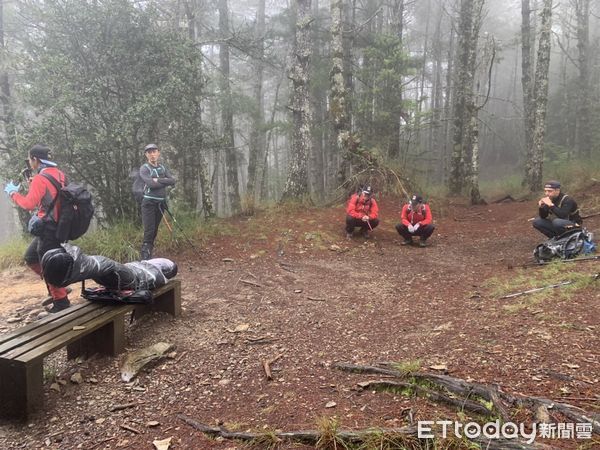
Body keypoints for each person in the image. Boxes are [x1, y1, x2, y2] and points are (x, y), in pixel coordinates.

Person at [3, 144, 71, 313]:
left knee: (48, 263)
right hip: (60, 226)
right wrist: (32, 183)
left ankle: (61, 301)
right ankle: (56, 285)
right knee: (31, 256)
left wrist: (13, 193)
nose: (30, 163)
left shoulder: (41, 178)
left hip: (48, 228)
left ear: (36, 160)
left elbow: (28, 204)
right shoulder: (60, 175)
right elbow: (53, 195)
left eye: (30, 159)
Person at [41, 243, 177, 291]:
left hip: (134, 277)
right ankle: (74, 267)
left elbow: (169, 269)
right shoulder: (162, 265)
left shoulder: (165, 267)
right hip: (129, 273)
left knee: (101, 264)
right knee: (100, 264)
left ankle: (74, 268)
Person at [139, 143, 176, 260]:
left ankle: (149, 255)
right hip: (149, 203)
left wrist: (157, 180)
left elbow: (172, 181)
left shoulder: (163, 168)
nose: (152, 154)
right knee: (149, 230)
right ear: (146, 155)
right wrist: (164, 180)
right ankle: (145, 257)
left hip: (161, 204)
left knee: (154, 230)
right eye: (149, 152)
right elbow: (150, 184)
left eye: (154, 151)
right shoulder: (144, 168)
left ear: (158, 153)